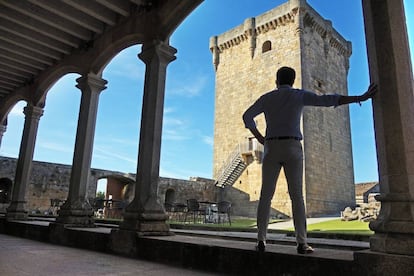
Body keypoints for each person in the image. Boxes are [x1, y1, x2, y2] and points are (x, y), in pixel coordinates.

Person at [242, 66, 377, 254]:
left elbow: (247, 116)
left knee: (266, 196)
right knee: (297, 196)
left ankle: (261, 240)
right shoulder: (299, 95)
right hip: (292, 146)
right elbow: (328, 100)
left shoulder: (267, 98)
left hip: (271, 146)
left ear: (276, 81)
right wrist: (359, 98)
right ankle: (302, 243)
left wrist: (259, 137)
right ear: (293, 80)